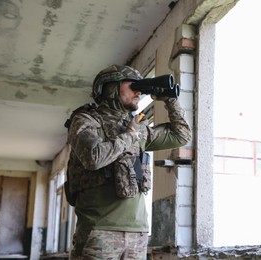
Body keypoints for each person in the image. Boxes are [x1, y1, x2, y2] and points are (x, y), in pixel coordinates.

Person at [65, 64, 192, 259]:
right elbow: (94, 158)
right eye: (133, 86)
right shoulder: (86, 120)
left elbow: (181, 135)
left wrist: (170, 100)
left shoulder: (135, 127)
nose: (139, 92)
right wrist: (130, 134)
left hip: (138, 233)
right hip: (99, 231)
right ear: (111, 88)